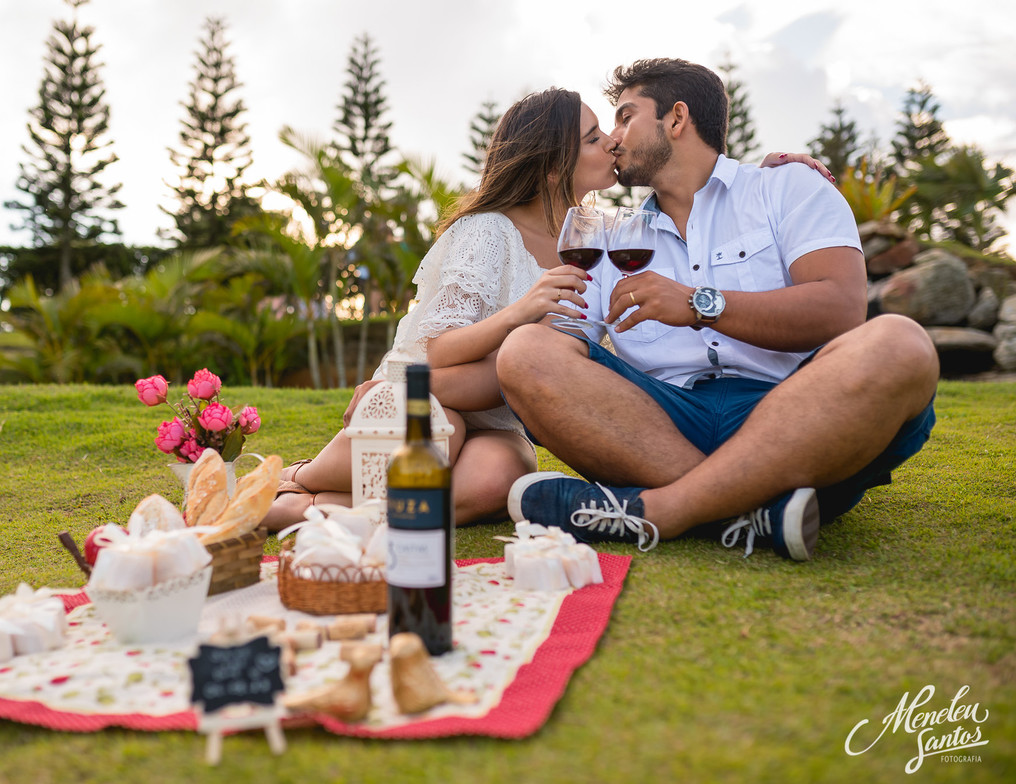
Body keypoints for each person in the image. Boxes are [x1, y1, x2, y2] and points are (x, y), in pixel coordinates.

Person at [263, 85, 833, 533]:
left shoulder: (600, 236)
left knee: (497, 483)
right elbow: (437, 348)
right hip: (430, 388)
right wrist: (517, 315)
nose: (612, 143)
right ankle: (292, 479)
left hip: (506, 411)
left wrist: (768, 171)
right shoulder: (488, 230)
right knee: (439, 437)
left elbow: (695, 200)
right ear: (556, 162)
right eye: (592, 138)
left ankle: (308, 509)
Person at [500, 58, 939, 560]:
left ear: (677, 118)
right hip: (660, 424)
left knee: (899, 342)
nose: (614, 138)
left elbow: (840, 309)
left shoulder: (787, 187)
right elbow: (561, 342)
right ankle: (754, 512)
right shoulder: (610, 235)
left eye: (625, 117)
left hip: (795, 416)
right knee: (526, 351)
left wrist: (697, 304)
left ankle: (661, 511)